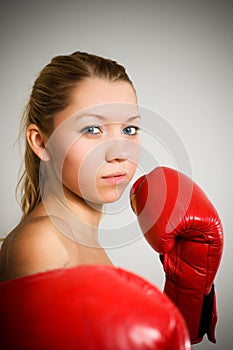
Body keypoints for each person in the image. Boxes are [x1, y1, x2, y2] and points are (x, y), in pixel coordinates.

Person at [0, 51, 141, 281]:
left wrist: (189, 291)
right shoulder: (43, 244)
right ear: (41, 142)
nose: (120, 153)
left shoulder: (82, 243)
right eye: (92, 129)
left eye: (129, 130)